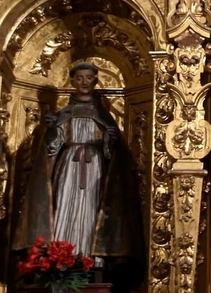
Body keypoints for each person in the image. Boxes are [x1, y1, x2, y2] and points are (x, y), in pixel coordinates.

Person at [16, 61, 134, 259]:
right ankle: (62, 254)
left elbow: (112, 155)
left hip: (95, 168)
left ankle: (89, 256)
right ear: (72, 81)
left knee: (91, 209)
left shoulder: (103, 115)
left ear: (96, 80)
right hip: (69, 166)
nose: (84, 82)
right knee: (65, 206)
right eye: (79, 78)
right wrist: (53, 130)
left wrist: (109, 140)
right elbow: (53, 147)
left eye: (88, 78)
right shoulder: (64, 113)